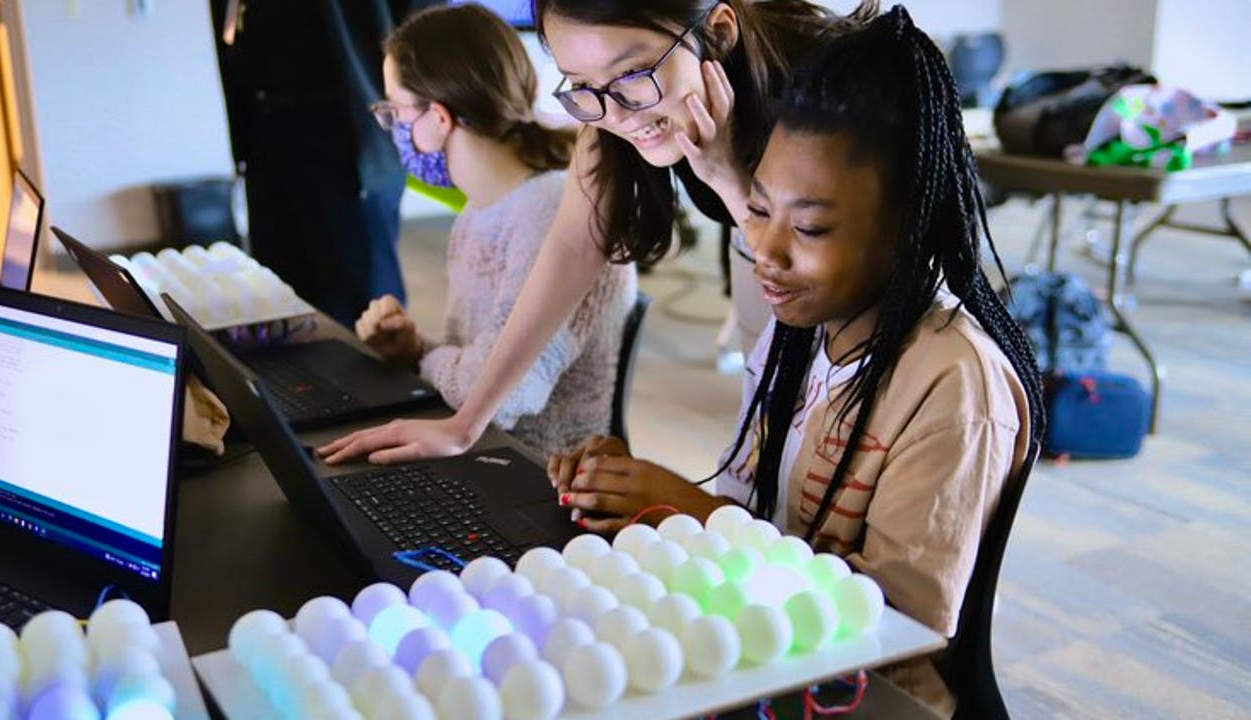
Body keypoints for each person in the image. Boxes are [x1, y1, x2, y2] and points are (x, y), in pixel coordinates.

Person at [547, 7, 1045, 715]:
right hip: (755, 658)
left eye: (809, 227)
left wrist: (686, 509)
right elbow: (753, 514)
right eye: (757, 210)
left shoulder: (954, 383)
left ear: (907, 222)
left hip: (865, 696)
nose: (768, 254)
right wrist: (638, 495)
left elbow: (901, 624)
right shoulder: (804, 324)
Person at [320, 0, 877, 464]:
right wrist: (464, 425)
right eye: (583, 85)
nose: (617, 112)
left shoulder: (811, 98)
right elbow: (569, 248)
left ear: (719, 31)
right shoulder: (608, 115)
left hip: (872, 310)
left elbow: (820, 297)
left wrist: (725, 177)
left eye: (632, 75)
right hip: (766, 254)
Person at [340, 4, 636, 456]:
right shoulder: (477, 215)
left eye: (394, 112)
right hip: (483, 452)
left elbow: (502, 397)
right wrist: (416, 350)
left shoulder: (550, 209)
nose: (392, 128)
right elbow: (476, 369)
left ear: (439, 118)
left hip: (537, 472)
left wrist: (423, 355)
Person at [209, 0, 437, 325]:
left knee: (362, 301)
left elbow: (422, 18)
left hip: (345, 122)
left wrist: (419, 109)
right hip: (264, 123)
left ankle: (373, 375)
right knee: (280, 297)